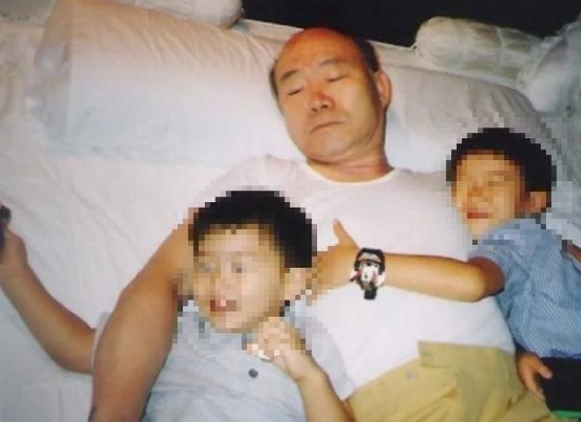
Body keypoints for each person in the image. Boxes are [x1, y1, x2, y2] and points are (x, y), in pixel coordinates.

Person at [90, 28, 557, 422]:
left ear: (381, 89)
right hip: (394, 400)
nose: (316, 100)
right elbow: (163, 282)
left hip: (515, 396)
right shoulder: (264, 183)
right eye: (294, 91)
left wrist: (519, 349)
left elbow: (510, 266)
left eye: (334, 77)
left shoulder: (454, 186)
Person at [325, 127, 581, 421]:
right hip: (568, 376)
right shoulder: (524, 245)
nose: (476, 192)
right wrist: (519, 354)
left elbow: (473, 284)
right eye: (463, 183)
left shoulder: (510, 240)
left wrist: (363, 265)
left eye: (495, 181)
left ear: (534, 201)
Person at [0, 192, 354, 421]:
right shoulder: (174, 330)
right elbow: (75, 348)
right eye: (205, 266)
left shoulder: (306, 345)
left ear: (291, 282)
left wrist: (309, 378)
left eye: (239, 268)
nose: (218, 281)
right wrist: (15, 275)